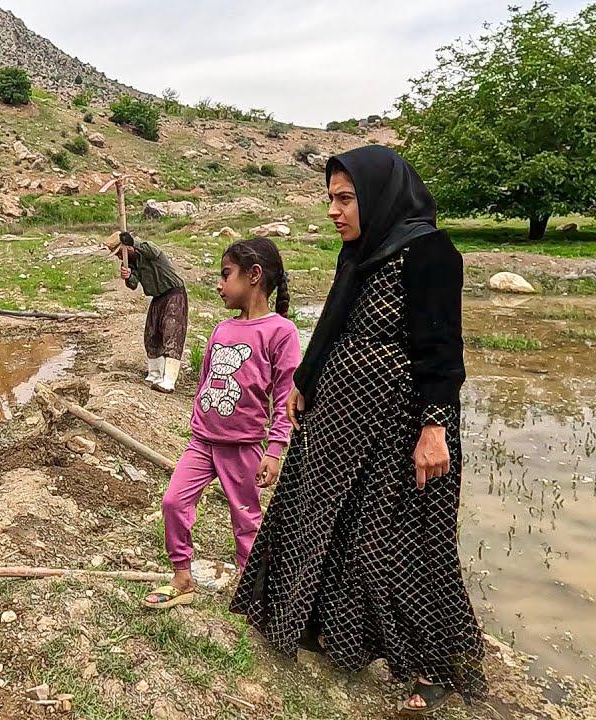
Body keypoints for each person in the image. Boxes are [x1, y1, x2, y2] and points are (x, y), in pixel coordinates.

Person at [230, 146, 486, 714]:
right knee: (324, 520)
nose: (334, 211)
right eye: (331, 199)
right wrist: (305, 378)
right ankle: (320, 627)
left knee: (395, 541)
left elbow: (441, 350)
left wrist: (435, 427)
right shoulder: (360, 252)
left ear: (378, 198)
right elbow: (332, 323)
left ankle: (431, 666)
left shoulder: (430, 252)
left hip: (400, 425)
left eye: (345, 199)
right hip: (339, 419)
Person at [143, 237, 301, 609]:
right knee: (173, 502)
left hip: (244, 446)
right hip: (202, 442)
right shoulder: (221, 330)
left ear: (254, 276)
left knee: (246, 520)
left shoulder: (281, 333)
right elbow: (203, 382)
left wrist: (274, 450)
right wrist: (199, 421)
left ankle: (251, 594)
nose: (219, 284)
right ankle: (182, 577)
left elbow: (284, 400)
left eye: (226, 275)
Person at [105, 230, 188, 392]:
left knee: (172, 334)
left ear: (126, 247)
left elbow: (152, 250)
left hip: (174, 293)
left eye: (119, 253)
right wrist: (128, 277)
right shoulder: (129, 263)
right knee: (151, 335)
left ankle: (169, 380)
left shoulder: (146, 249)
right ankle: (155, 373)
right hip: (157, 297)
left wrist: (132, 242)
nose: (119, 257)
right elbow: (133, 284)